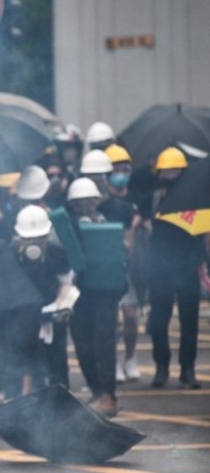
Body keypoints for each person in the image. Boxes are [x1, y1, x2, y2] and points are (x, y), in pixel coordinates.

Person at [65, 177, 126, 416]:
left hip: (104, 294)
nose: (85, 207)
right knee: (82, 343)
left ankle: (108, 394)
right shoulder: (67, 229)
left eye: (89, 202)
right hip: (78, 293)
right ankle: (96, 392)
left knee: (104, 343)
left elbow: (119, 260)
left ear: (96, 202)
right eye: (79, 203)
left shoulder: (107, 228)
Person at [146, 147, 203, 389]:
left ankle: (187, 369)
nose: (170, 176)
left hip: (188, 264)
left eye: (175, 172)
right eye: (166, 172)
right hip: (160, 267)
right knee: (159, 321)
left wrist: (203, 263)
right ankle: (162, 366)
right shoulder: (155, 198)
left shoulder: (195, 199)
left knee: (190, 320)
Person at [10, 206, 74, 395]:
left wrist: (59, 305)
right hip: (20, 314)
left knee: (56, 357)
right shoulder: (10, 253)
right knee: (19, 357)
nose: (34, 242)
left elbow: (66, 282)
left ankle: (60, 398)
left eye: (40, 238)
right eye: (29, 238)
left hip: (50, 312)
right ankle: (18, 399)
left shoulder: (57, 252)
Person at [100, 144, 143, 382]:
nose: (122, 173)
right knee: (110, 318)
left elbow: (130, 242)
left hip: (126, 267)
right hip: (105, 267)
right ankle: (114, 362)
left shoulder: (131, 202)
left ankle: (130, 358)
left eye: (125, 168)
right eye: (117, 169)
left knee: (130, 315)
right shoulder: (100, 204)